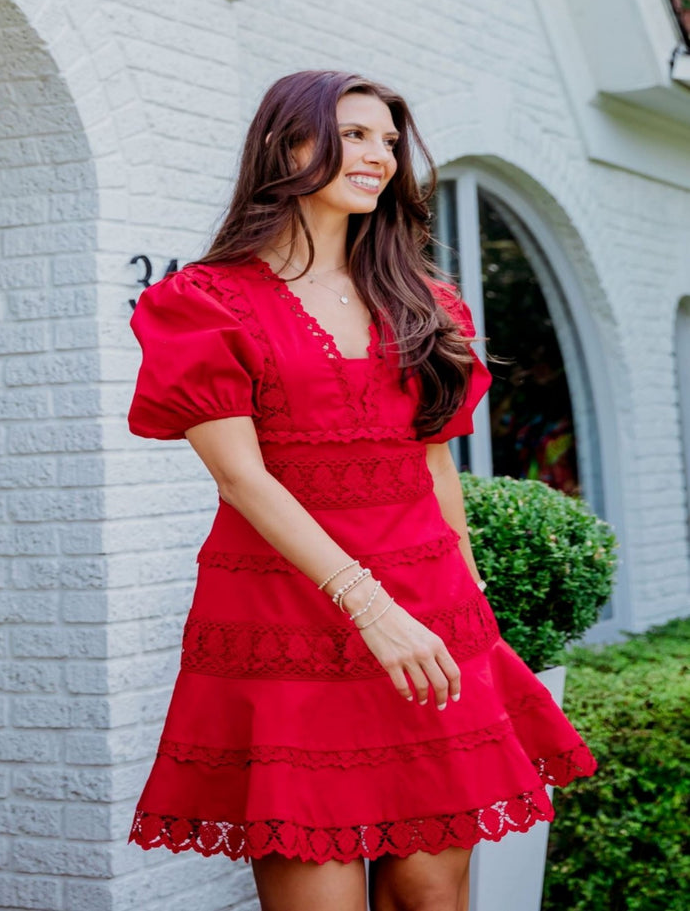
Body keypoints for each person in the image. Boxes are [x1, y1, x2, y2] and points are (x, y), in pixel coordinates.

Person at [127, 70, 596, 911]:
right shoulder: (203, 302)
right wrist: (369, 607)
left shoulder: (421, 300)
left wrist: (469, 593)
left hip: (432, 610)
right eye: (353, 133)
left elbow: (434, 461)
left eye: (388, 139)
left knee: (430, 892)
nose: (378, 155)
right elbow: (241, 476)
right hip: (287, 619)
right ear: (287, 144)